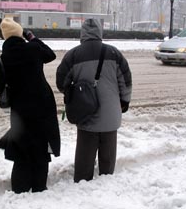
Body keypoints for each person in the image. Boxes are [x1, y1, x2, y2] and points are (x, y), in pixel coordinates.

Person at [56, 18, 132, 183]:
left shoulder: (73, 55)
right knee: (108, 156)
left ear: (82, 33)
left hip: (85, 114)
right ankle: (106, 181)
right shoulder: (114, 53)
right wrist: (124, 102)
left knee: (85, 155)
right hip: (111, 114)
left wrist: (74, 91)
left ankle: (83, 182)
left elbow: (61, 82)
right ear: (100, 32)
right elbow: (125, 81)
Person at [0, 17, 60, 193]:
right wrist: (32, 37)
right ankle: (39, 187)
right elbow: (50, 54)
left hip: (20, 110)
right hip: (43, 106)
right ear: (20, 33)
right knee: (41, 148)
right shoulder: (34, 49)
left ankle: (20, 188)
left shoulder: (1, 60)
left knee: (22, 148)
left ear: (5, 37)